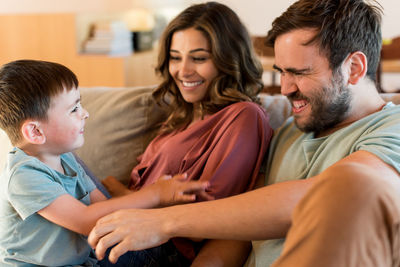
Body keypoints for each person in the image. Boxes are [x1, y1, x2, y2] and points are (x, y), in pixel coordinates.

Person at [88, 0, 400, 266]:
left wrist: (162, 222)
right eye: (281, 72)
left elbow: (332, 194)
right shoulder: (290, 130)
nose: (286, 88)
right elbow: (240, 231)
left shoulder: (391, 128)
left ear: (355, 69)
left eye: (300, 73)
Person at [101, 1, 273, 266]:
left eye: (199, 58)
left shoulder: (244, 116)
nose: (183, 70)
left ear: (228, 59)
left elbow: (208, 213)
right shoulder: (182, 116)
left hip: (160, 247)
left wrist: (120, 194)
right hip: (129, 228)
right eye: (175, 57)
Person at [0, 59, 214, 267]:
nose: (85, 113)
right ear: (35, 132)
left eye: (80, 104)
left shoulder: (66, 158)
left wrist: (164, 204)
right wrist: (156, 194)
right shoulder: (23, 176)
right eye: (74, 109)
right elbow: (86, 221)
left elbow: (104, 208)